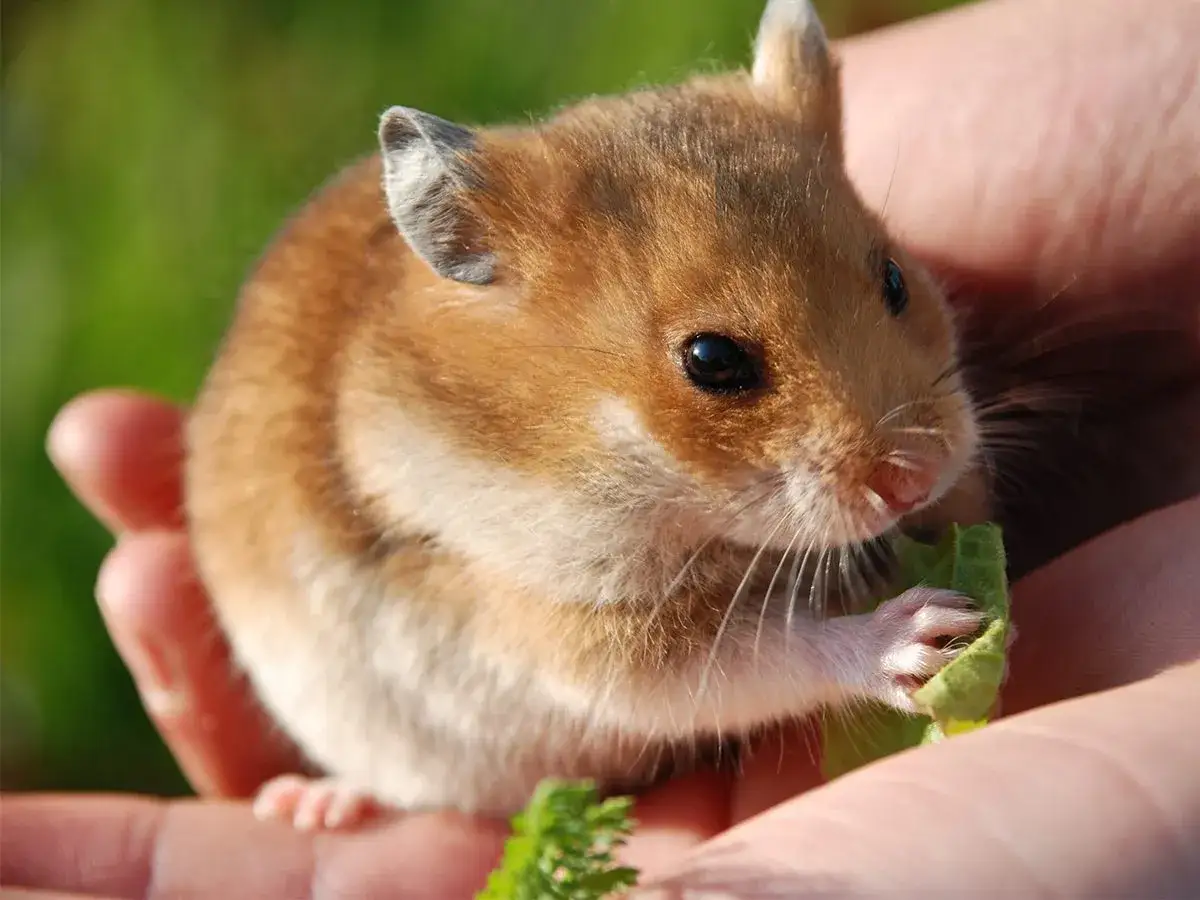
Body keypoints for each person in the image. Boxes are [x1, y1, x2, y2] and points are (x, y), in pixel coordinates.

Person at [4, 0, 1198, 895]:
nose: (904, 461)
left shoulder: (783, 179)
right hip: (409, 685)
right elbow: (611, 662)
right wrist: (842, 651)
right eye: (721, 366)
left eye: (892, 291)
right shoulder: (505, 445)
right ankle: (384, 789)